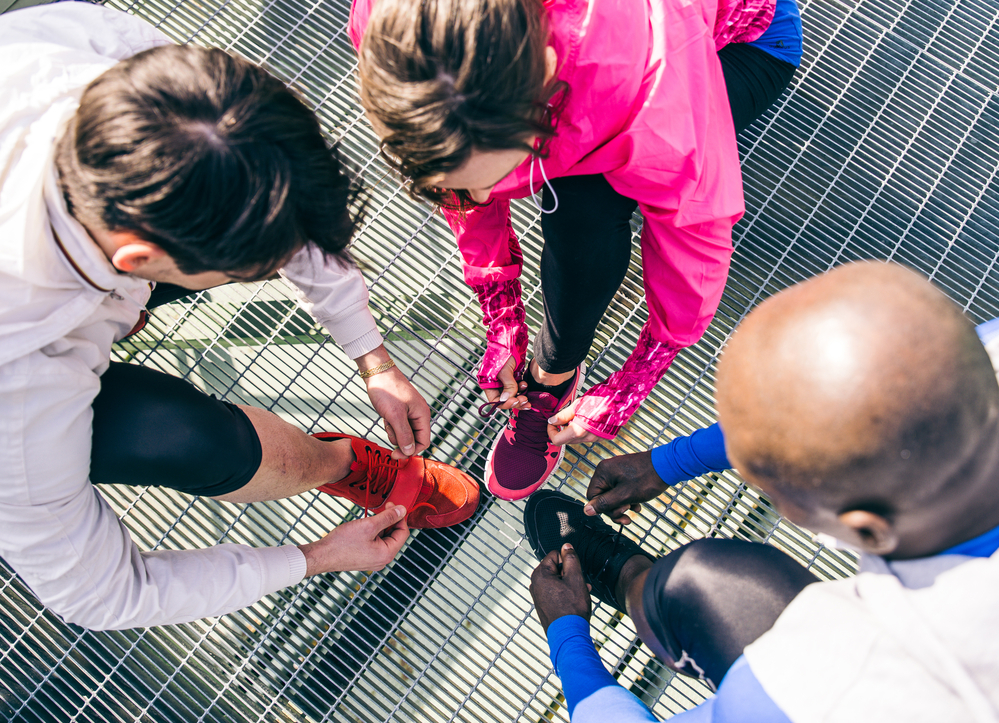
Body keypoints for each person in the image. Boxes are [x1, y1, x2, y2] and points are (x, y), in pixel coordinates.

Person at [0, 2, 480, 632]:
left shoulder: (86, 50)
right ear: (140, 258)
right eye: (251, 270)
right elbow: (99, 594)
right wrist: (311, 558)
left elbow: (265, 183)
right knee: (181, 437)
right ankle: (330, 466)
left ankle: (338, 461)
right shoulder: (23, 397)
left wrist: (373, 356)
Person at [348, 0, 803, 501]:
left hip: (742, 44)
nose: (482, 199)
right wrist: (502, 314)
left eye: (496, 176)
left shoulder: (649, 84)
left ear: (542, 70)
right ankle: (551, 369)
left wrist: (636, 379)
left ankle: (552, 373)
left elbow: (695, 237)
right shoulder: (396, 34)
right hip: (596, 69)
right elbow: (460, 175)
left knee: (584, 204)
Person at [526, 262, 999, 721]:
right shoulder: (968, 361)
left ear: (864, 526)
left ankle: (629, 580)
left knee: (698, 584)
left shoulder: (830, 692)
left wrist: (567, 633)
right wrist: (667, 463)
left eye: (774, 489)